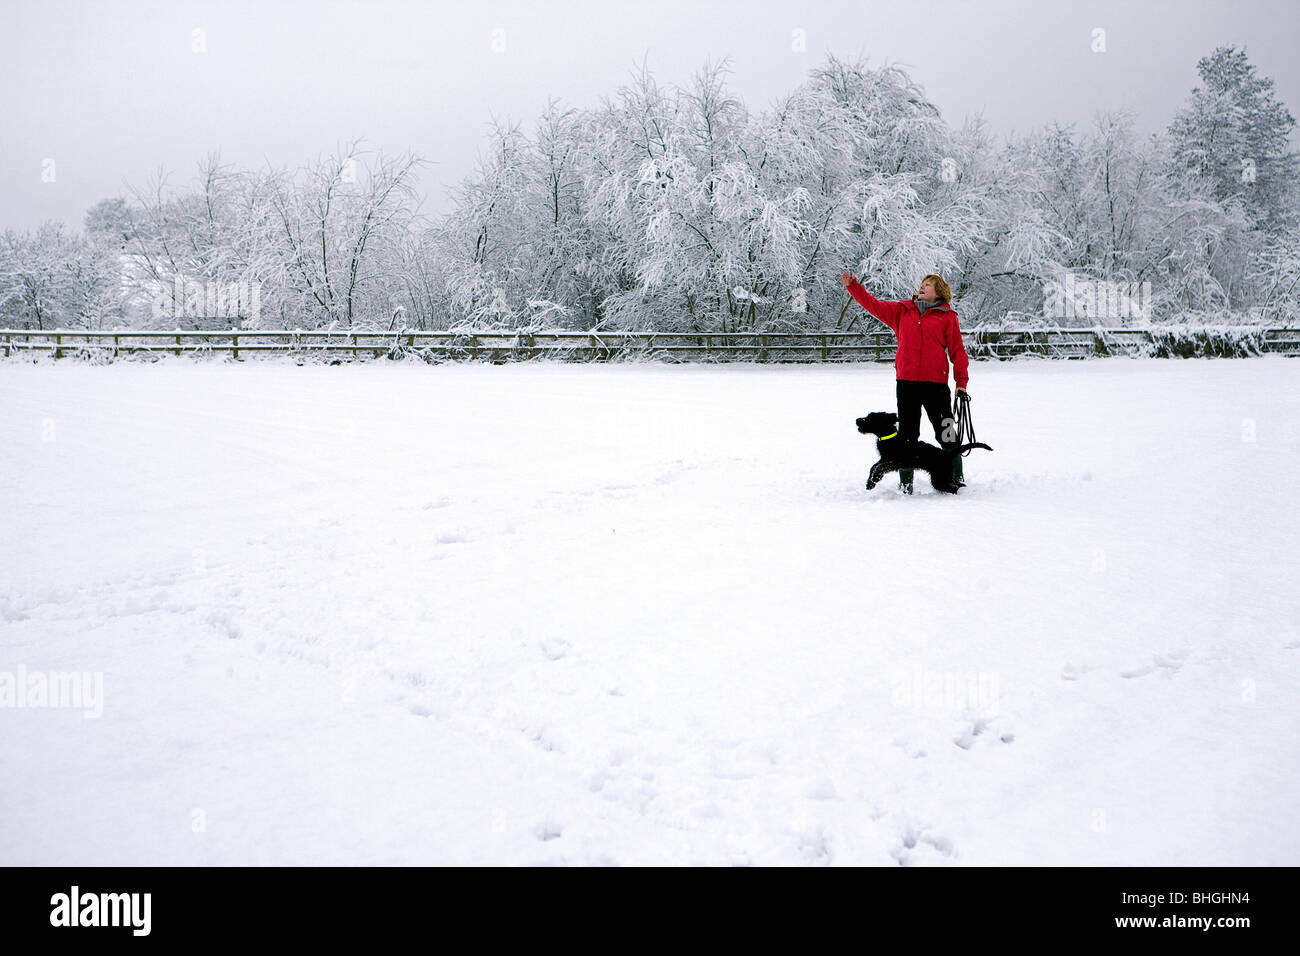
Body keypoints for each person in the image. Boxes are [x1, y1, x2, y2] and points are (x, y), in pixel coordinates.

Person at [840, 271, 970, 493]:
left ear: (939, 291)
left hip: (936, 385)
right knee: (907, 437)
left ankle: (956, 477)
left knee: (947, 432)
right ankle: (906, 483)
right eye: (922, 283)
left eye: (928, 284)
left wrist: (961, 382)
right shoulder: (902, 311)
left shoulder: (948, 317)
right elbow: (873, 305)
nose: (922, 286)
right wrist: (853, 287)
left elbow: (957, 351)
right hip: (907, 384)